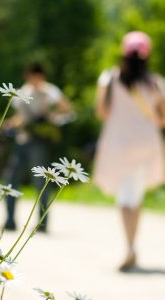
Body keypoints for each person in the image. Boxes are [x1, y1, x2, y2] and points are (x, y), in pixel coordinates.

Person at [93, 31, 165, 270]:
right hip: (146, 143)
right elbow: (162, 119)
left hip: (119, 143)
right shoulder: (155, 82)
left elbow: (101, 112)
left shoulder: (109, 79)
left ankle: (130, 247)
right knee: (136, 197)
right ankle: (132, 246)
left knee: (125, 199)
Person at [3, 62, 72, 232]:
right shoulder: (22, 93)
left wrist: (53, 116)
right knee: (11, 179)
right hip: (22, 139)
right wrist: (9, 124)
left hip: (40, 141)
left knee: (41, 182)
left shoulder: (50, 91)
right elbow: (20, 118)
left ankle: (42, 223)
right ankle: (10, 220)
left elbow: (67, 108)